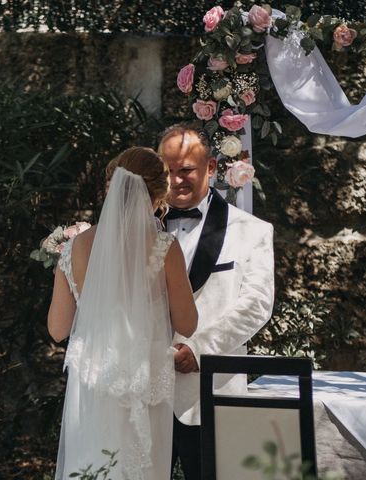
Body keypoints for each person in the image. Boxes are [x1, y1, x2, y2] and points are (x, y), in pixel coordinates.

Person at [47, 147, 198, 480]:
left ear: (110, 187)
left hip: (92, 382)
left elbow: (58, 329)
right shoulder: (164, 247)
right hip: (145, 383)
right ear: (160, 194)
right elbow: (188, 324)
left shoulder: (74, 248)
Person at [158, 125, 275, 479]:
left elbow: (256, 304)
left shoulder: (252, 231)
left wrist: (200, 349)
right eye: (167, 171)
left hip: (211, 394)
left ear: (210, 168)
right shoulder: (137, 230)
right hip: (146, 397)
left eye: (186, 171)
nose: (175, 181)